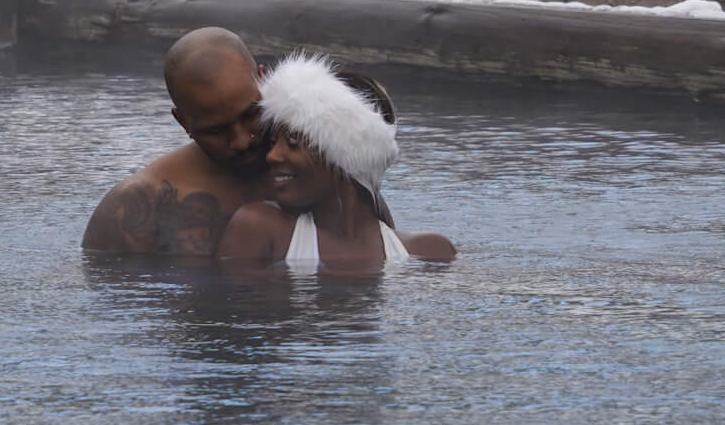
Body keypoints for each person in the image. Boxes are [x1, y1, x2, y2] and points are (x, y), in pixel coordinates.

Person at [217, 52, 455, 273]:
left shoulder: (430, 251)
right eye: (272, 141)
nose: (272, 156)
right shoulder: (258, 228)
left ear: (345, 154)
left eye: (292, 141)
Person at [82, 27, 271, 257]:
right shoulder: (131, 208)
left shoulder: (317, 160)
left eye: (251, 114)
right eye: (216, 131)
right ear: (182, 122)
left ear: (265, 81)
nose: (241, 142)